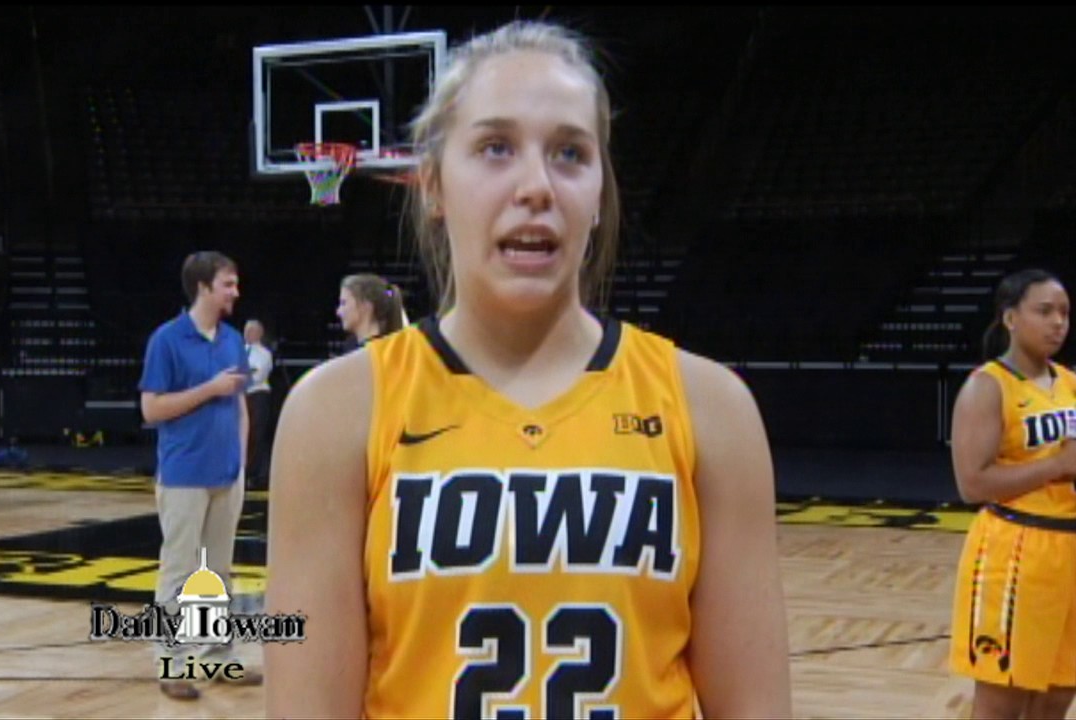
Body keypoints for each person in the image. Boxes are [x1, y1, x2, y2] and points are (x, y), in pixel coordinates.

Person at [266, 21, 791, 718]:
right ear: (431, 184)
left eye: (570, 153)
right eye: (495, 148)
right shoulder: (334, 413)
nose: (536, 185)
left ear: (600, 192)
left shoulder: (711, 408)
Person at [948, 269, 1076, 719]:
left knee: (1058, 696)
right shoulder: (987, 386)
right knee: (1003, 700)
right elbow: (971, 484)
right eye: (1044, 311)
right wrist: (1058, 465)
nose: (1058, 322)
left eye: (1064, 313)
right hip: (1015, 552)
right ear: (1010, 318)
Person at [138, 251, 263, 700]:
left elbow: (241, 406)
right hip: (183, 475)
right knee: (179, 571)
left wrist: (241, 462)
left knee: (217, 571)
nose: (236, 291)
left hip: (226, 475)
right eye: (228, 283)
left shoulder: (232, 340)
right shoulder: (167, 340)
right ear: (204, 288)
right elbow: (151, 409)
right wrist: (209, 389)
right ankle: (170, 663)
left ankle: (214, 657)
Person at [335, 272, 408, 353]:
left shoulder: (379, 351)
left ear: (365, 306)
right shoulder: (351, 344)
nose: (338, 312)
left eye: (343, 303)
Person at [243, 319, 274, 490]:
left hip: (258, 396)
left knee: (256, 435)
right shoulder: (239, 351)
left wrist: (242, 376)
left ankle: (256, 474)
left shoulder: (264, 354)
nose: (247, 334)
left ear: (259, 334)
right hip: (240, 397)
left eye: (251, 330)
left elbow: (257, 375)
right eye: (246, 330)